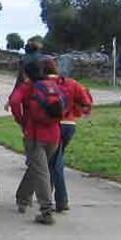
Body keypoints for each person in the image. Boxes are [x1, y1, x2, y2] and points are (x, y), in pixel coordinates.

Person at [9, 55, 63, 225]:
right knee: (38, 167)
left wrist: (22, 120)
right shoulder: (53, 85)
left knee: (40, 171)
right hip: (54, 134)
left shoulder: (28, 87)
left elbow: (14, 101)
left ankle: (46, 210)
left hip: (35, 134)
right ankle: (23, 198)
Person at [45, 58, 93, 212]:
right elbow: (86, 101)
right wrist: (76, 110)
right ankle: (49, 195)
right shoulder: (71, 83)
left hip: (54, 125)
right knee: (54, 160)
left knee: (56, 162)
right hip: (69, 125)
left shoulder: (42, 85)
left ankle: (61, 199)